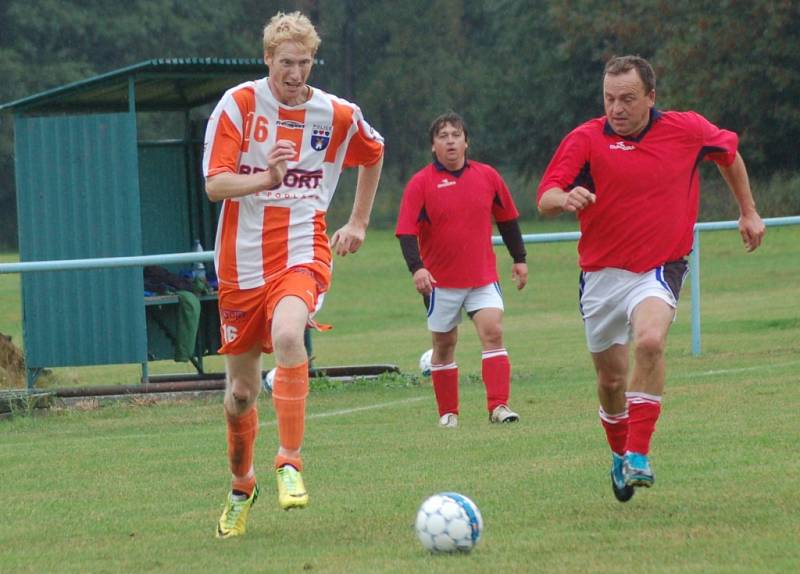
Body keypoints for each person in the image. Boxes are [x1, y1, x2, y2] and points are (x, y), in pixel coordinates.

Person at [537, 55, 765, 502]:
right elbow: (545, 197)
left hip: (660, 267)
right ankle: (621, 455)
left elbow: (730, 156)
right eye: (608, 99)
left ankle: (639, 454)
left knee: (650, 343)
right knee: (610, 383)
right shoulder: (585, 138)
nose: (616, 108)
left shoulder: (687, 130)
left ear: (651, 97)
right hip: (601, 274)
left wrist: (748, 210)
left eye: (627, 99)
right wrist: (565, 198)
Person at [202, 11, 384, 538]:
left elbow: (374, 153)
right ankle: (242, 485)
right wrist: (268, 177)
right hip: (240, 262)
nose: (295, 74)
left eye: (304, 63)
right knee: (239, 392)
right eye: (286, 63)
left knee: (288, 334)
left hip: (303, 250)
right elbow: (216, 184)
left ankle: (290, 462)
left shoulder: (336, 113)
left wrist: (357, 221)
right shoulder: (238, 105)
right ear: (267, 60)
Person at [396, 112, 528, 429]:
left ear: (466, 141)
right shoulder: (421, 183)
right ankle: (448, 413)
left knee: (493, 331)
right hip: (441, 283)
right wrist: (418, 269)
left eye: (456, 134)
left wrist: (519, 258)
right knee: (444, 345)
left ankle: (499, 406)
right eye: (443, 136)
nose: (451, 140)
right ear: (433, 146)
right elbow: (406, 231)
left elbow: (507, 220)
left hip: (482, 277)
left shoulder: (488, 176)